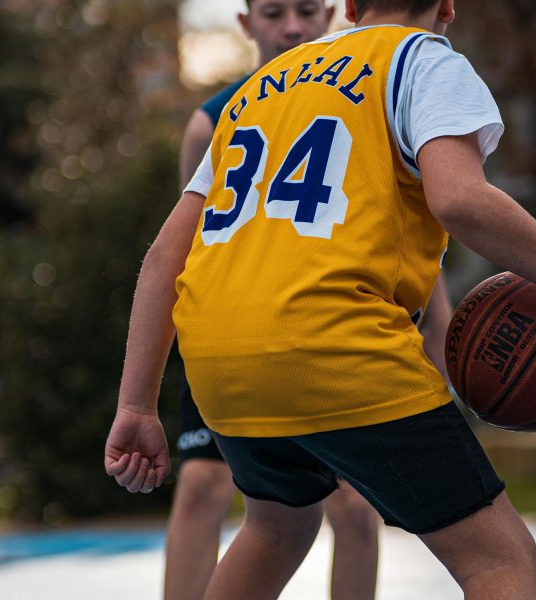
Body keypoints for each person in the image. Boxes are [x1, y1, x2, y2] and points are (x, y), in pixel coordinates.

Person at [104, 0, 536, 598]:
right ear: (447, 7)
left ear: (349, 7)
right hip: (337, 349)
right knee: (499, 559)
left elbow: (165, 258)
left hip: (222, 365)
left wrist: (137, 405)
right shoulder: (421, 61)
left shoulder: (261, 88)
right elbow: (459, 200)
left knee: (277, 526)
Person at [164, 2, 389, 599]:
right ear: (246, 25)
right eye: (273, 12)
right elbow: (183, 251)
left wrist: (438, 346)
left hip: (325, 331)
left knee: (356, 508)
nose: (292, 26)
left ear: (332, 16)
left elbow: (395, 236)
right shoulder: (212, 122)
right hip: (229, 329)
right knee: (203, 488)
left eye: (307, 10)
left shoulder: (360, 102)